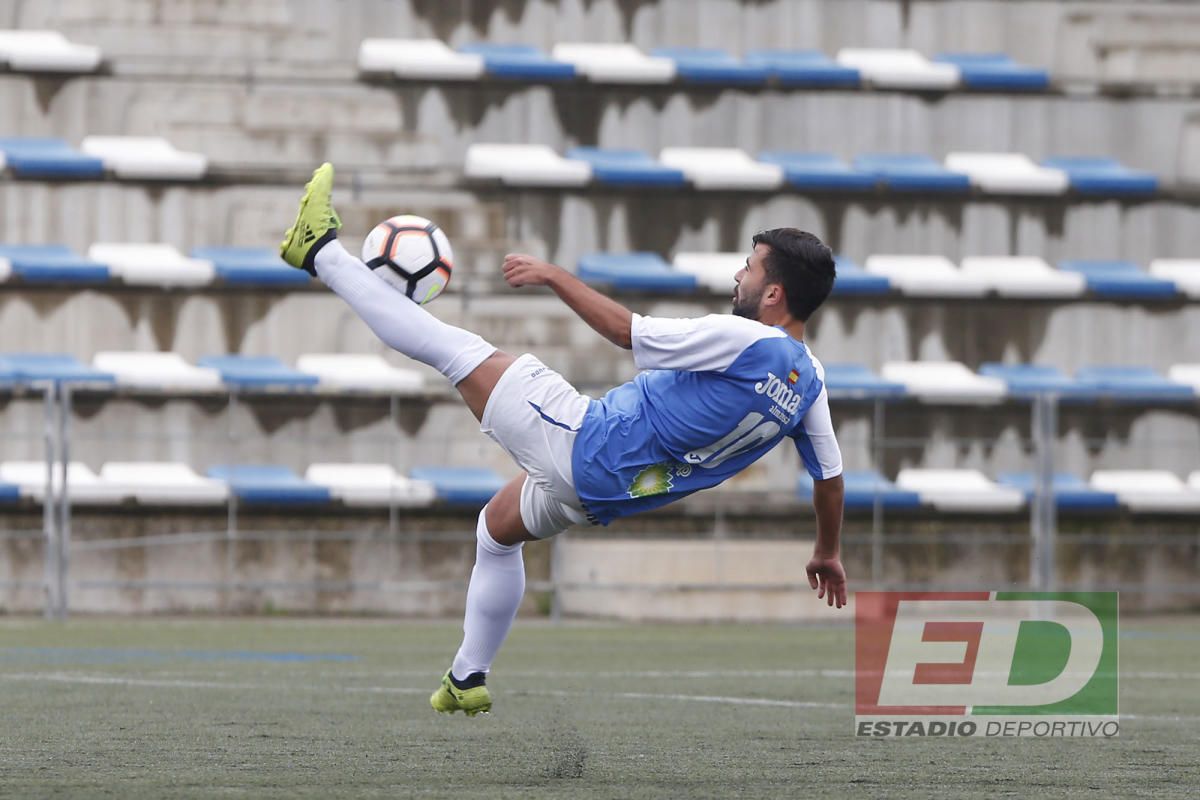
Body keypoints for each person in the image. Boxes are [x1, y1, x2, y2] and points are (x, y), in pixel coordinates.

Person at [280, 163, 847, 717]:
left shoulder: (745, 338)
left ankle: (320, 251)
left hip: (587, 441)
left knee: (450, 349)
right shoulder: (810, 384)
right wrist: (826, 551)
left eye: (748, 270)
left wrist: (553, 275)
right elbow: (829, 476)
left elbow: (627, 331)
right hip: (611, 494)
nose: (737, 278)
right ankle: (465, 678)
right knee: (497, 528)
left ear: (772, 294)